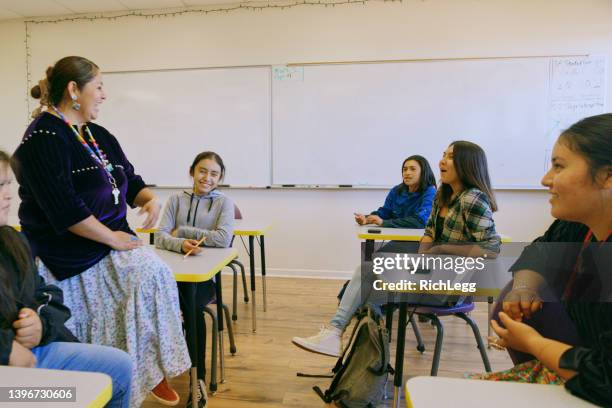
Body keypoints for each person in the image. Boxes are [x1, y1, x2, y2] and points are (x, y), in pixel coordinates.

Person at [12, 56, 190, 407]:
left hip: (109, 242)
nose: (105, 94)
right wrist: (114, 239)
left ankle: (147, 370)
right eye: (99, 86)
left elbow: (129, 177)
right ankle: (132, 374)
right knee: (148, 276)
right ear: (74, 90)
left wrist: (148, 199)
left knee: (155, 277)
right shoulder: (43, 138)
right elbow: (65, 210)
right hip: (71, 254)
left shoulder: (96, 134)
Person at [292, 141, 500, 357]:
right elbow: (429, 231)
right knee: (369, 289)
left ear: (466, 164)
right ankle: (355, 352)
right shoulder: (442, 196)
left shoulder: (473, 198)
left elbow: (491, 249)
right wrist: (424, 257)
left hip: (450, 286)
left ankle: (340, 339)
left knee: (367, 275)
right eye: (443, 154)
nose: (441, 161)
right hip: (431, 273)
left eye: (450, 157)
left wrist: (441, 250)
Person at [472, 114, 612, 407]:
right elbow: (540, 250)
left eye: (558, 166)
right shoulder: (579, 226)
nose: (546, 179)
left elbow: (605, 377)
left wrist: (532, 342)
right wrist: (525, 288)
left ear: (607, 176)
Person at [0, 150, 132, 408]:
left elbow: (46, 294)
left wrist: (39, 324)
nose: (7, 195)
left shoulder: (12, 241)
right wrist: (5, 349)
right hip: (9, 385)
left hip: (31, 356)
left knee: (118, 369)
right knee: (72, 393)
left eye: (7, 184)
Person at [155, 151, 234, 253]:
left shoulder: (225, 202)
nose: (207, 178)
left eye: (214, 174)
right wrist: (180, 245)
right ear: (192, 171)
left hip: (210, 259)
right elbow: (159, 237)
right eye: (202, 171)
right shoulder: (175, 199)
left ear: (220, 177)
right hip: (177, 256)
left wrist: (182, 232)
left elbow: (224, 239)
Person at [354, 155, 436, 228]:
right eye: (405, 169)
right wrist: (366, 219)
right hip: (399, 238)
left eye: (412, 169)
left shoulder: (430, 192)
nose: (407, 173)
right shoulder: (397, 190)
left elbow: (420, 221)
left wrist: (383, 222)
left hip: (421, 241)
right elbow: (385, 213)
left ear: (423, 172)